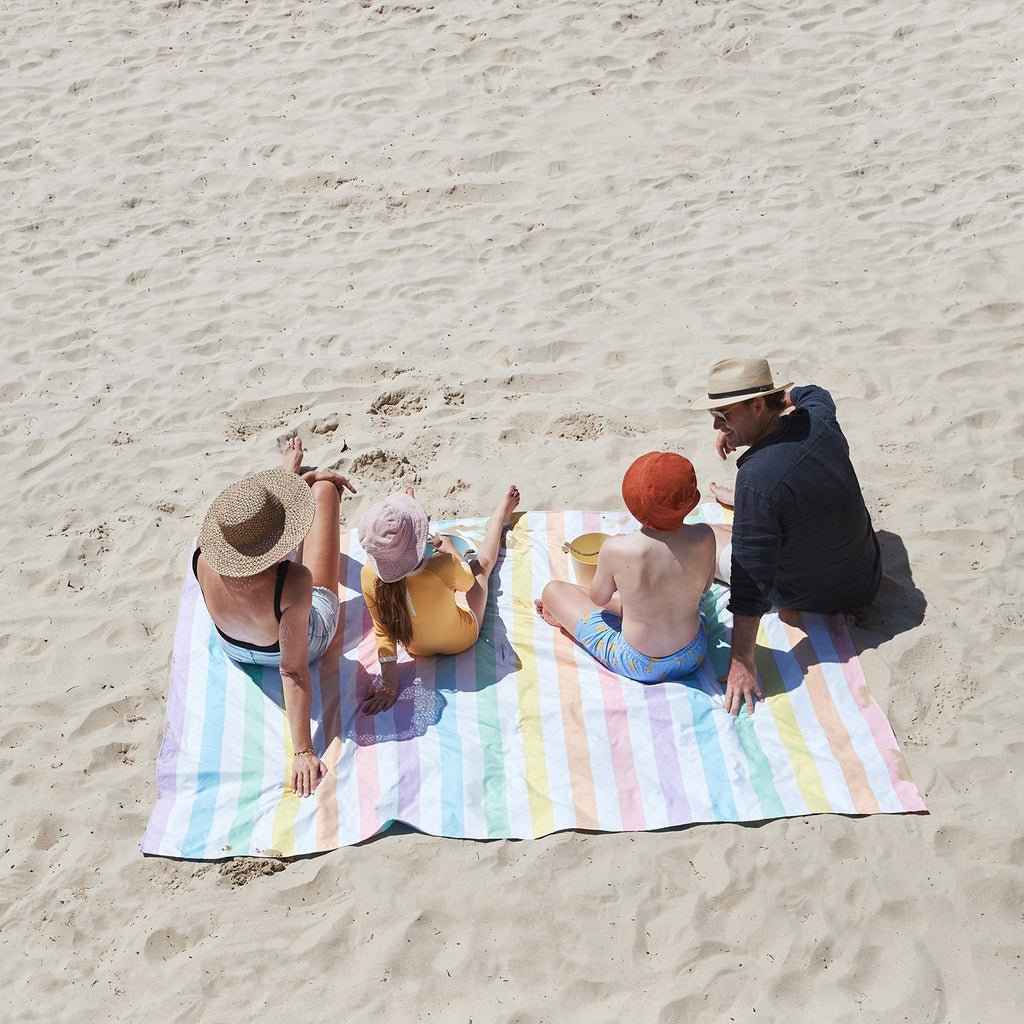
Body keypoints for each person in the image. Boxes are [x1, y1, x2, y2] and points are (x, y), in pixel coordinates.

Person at [691, 357, 882, 716]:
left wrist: (742, 662)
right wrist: (735, 426)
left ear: (759, 404)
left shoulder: (759, 479)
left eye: (725, 415)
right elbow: (814, 391)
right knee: (762, 513)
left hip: (815, 594)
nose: (718, 425)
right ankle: (752, 510)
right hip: (866, 574)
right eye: (715, 416)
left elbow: (751, 580)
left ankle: (746, 515)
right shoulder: (818, 416)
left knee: (705, 537)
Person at [193, 438, 357, 797]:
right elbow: (293, 668)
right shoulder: (294, 583)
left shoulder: (202, 556)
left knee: (309, 494)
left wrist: (294, 476)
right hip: (291, 644)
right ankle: (307, 483)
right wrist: (302, 751)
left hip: (234, 646)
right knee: (326, 492)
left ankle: (294, 478)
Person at [534, 452, 716, 683]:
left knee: (552, 590)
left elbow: (598, 598)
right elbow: (705, 587)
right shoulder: (705, 535)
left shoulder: (617, 548)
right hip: (694, 652)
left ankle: (566, 619)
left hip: (639, 663)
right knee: (659, 597)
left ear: (634, 504)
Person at [358, 483, 521, 714]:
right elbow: (467, 583)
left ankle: (408, 517)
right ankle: (495, 524)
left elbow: (383, 631)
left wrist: (389, 686)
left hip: (415, 646)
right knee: (481, 567)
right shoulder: (441, 565)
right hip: (461, 639)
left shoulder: (368, 576)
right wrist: (452, 550)